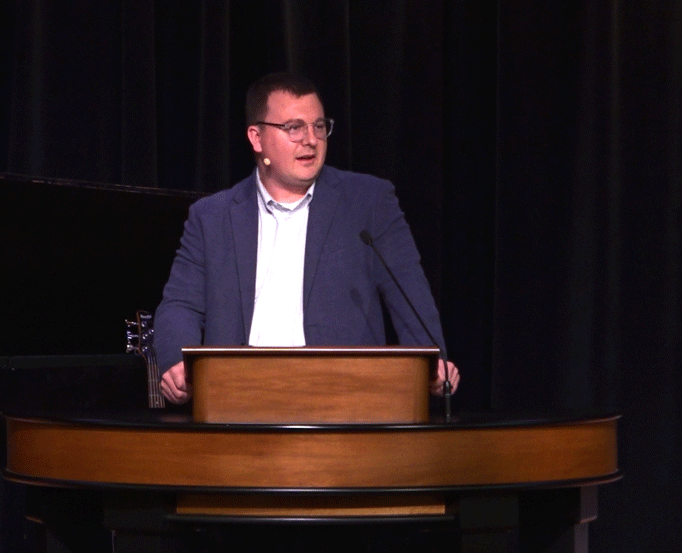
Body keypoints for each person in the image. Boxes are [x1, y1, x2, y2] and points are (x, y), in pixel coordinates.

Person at [154, 72, 458, 405]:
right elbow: (180, 305)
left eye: (318, 126)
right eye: (294, 128)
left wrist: (435, 362)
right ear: (256, 138)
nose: (310, 139)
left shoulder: (368, 202)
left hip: (342, 401)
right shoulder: (211, 217)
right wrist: (175, 363)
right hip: (237, 396)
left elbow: (409, 295)